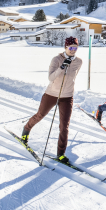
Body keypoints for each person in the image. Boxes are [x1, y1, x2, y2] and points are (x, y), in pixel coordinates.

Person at [22, 36, 84, 164]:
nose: (73, 50)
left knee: (64, 126)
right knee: (40, 115)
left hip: (67, 96)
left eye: (75, 48)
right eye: (71, 48)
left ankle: (61, 154)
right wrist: (62, 67)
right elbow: (50, 78)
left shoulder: (79, 61)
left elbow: (73, 77)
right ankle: (26, 129)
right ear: (65, 47)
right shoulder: (56, 59)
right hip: (51, 94)